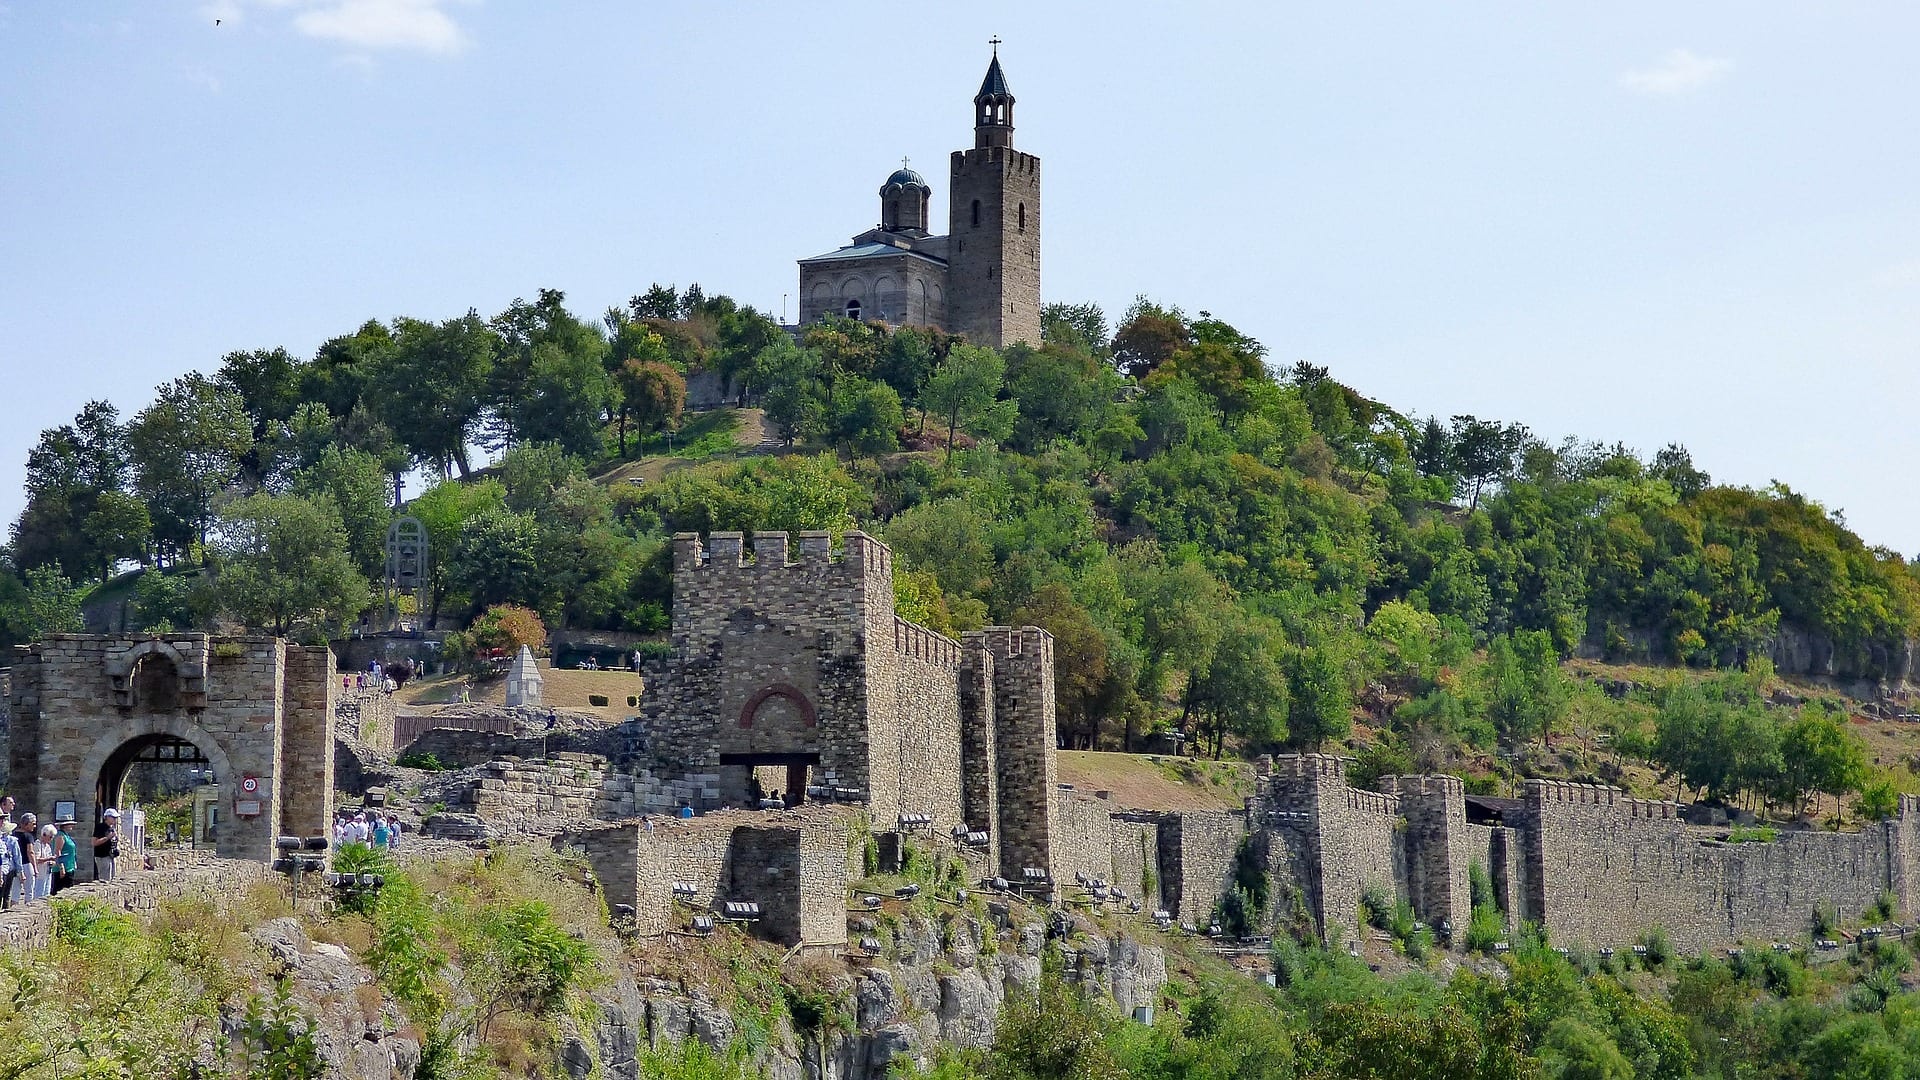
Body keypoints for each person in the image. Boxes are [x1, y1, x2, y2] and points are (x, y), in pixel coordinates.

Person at [93, 809, 120, 881]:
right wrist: (108, 837)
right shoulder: (100, 827)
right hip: (102, 856)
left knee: (112, 878)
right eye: (113, 817)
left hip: (111, 856)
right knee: (105, 879)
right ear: (107, 817)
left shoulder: (112, 828)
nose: (115, 819)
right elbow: (94, 842)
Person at [29, 825, 55, 901]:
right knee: (39, 895)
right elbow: (36, 859)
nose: (51, 839)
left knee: (46, 894)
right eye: (50, 837)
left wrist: (51, 861)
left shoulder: (47, 846)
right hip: (40, 874)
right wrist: (49, 858)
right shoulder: (37, 844)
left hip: (47, 872)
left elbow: (49, 858)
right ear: (44, 835)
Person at [51, 821, 77, 894]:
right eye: (70, 824)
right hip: (63, 868)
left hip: (69, 867)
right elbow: (57, 852)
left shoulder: (66, 835)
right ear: (65, 825)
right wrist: (61, 867)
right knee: (60, 890)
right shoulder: (60, 836)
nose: (72, 826)